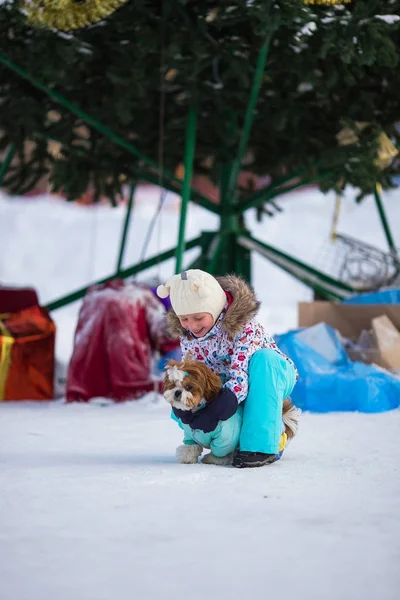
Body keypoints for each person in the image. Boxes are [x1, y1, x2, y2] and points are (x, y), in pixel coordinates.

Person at [157, 269, 298, 468]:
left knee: (264, 360)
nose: (192, 325)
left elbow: (240, 377)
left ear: (214, 308)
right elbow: (197, 372)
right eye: (184, 319)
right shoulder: (188, 334)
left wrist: (218, 409)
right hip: (226, 384)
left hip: (270, 376)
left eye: (198, 318)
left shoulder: (242, 326)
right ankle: (230, 443)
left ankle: (261, 446)